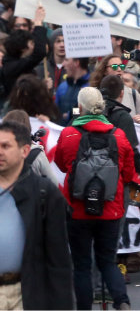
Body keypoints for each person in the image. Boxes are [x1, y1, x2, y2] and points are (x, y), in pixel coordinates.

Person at [53, 87, 137, 310]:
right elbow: (128, 174)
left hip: (78, 210)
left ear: (80, 108)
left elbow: (61, 166)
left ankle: (84, 307)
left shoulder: (69, 134)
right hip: (110, 209)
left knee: (81, 265)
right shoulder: (119, 136)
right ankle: (122, 301)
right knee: (108, 262)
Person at [0, 120, 74, 310]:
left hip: (27, 293)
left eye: (6, 146)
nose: (0, 151)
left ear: (24, 151)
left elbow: (58, 260)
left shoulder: (44, 193)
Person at [0, 6, 47, 100]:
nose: (34, 46)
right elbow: (39, 53)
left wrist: (41, 86)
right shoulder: (12, 67)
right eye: (31, 43)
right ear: (23, 48)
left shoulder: (15, 63)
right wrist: (38, 23)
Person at [89, 54, 140, 121]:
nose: (119, 69)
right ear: (105, 71)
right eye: (115, 66)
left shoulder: (133, 94)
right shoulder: (94, 93)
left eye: (121, 66)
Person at [55, 57, 91, 125]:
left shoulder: (92, 87)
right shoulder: (62, 86)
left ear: (76, 63)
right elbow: (55, 111)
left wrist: (69, 114)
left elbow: (88, 111)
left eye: (66, 60)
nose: (63, 64)